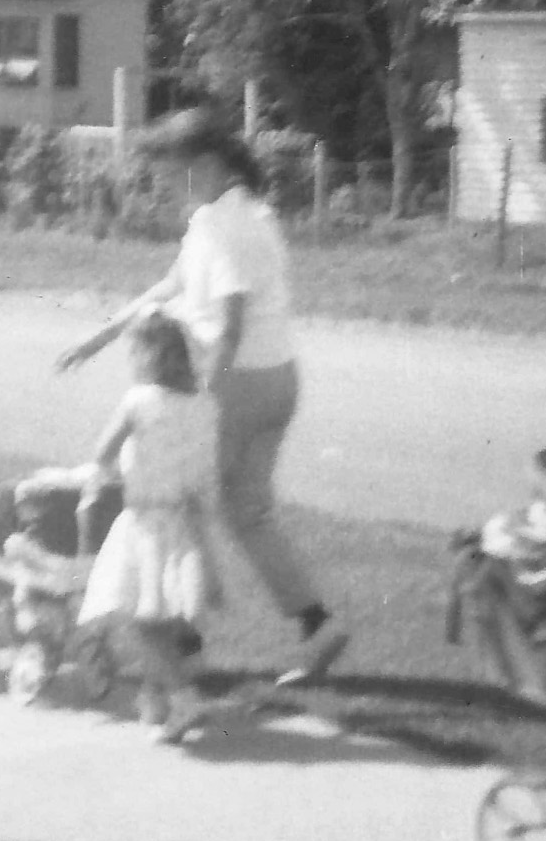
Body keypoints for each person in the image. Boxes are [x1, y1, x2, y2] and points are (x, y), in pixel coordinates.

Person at [56, 108, 348, 686]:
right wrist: (106, 332)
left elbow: (232, 321)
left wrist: (200, 403)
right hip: (278, 379)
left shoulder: (221, 226)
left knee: (171, 503)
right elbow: (174, 285)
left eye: (173, 175)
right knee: (247, 512)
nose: (166, 188)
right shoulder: (242, 214)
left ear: (207, 165)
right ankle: (318, 626)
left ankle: (184, 650)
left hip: (234, 383)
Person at [76, 311, 223, 740]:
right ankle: (154, 698)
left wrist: (103, 477)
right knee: (163, 615)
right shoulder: (204, 403)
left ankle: (183, 697)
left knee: (143, 622)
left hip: (143, 522)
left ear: (147, 355)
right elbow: (205, 469)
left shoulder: (139, 401)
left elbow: (103, 451)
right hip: (183, 520)